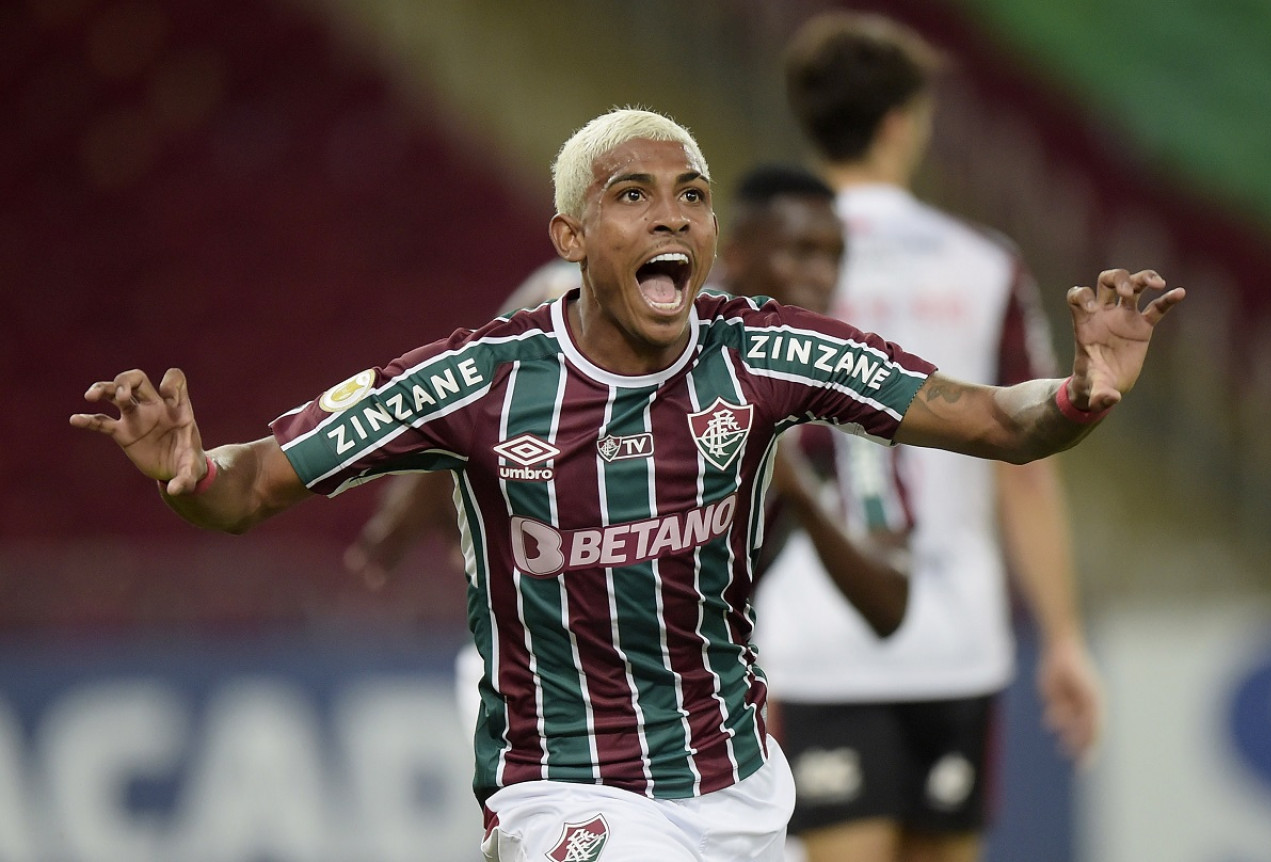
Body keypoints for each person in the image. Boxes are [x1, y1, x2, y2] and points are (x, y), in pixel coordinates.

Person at [70, 107, 1183, 861]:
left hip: (736, 787)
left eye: (690, 196)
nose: (670, 215)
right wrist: (185, 474)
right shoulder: (476, 381)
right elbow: (251, 484)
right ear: (570, 234)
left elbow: (993, 418)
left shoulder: (765, 353)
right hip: (561, 788)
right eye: (633, 195)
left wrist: (1083, 393)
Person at [345, 163, 909, 741]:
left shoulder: (834, 390)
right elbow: (493, 361)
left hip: (707, 693)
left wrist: (797, 490)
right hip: (554, 680)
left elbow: (890, 605)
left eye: (834, 258)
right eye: (800, 252)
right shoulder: (646, 330)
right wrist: (413, 502)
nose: (821, 278)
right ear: (733, 252)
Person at [753, 13, 1108, 862]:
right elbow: (1025, 467)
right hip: (957, 637)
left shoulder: (764, 261)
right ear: (900, 123)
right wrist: (1062, 636)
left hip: (816, 635)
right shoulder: (984, 264)